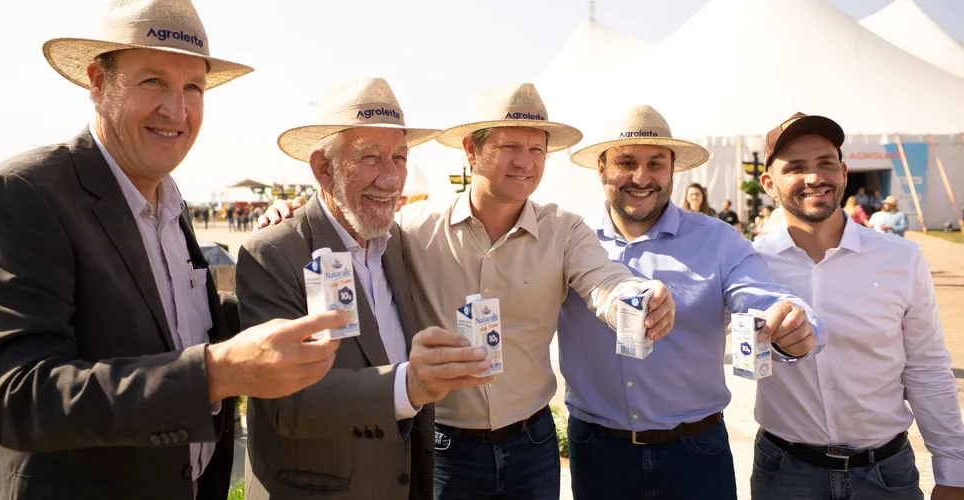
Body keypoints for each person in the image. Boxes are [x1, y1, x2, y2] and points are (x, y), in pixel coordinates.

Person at [0, 2, 344, 498]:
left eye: (193, 88)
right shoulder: (22, 192)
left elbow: (171, 320)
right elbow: (19, 399)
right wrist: (217, 372)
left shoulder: (167, 199)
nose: (176, 111)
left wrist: (276, 285)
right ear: (98, 83)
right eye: (153, 82)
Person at [257, 83, 678, 500]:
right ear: (471, 151)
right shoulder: (412, 229)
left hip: (532, 444)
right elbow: (346, 221)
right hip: (444, 447)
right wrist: (295, 210)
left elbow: (604, 280)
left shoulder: (564, 231)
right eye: (510, 146)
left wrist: (638, 297)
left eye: (537, 149)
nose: (525, 162)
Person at [237, 78, 490, 500]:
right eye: (370, 157)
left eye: (399, 157)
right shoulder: (275, 251)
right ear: (323, 169)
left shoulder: (397, 243)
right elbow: (284, 402)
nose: (391, 179)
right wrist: (408, 386)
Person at [559, 104, 823, 500]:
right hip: (598, 451)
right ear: (601, 168)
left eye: (655, 163)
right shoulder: (569, 240)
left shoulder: (718, 240)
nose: (641, 177)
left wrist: (793, 323)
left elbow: (760, 295)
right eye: (626, 162)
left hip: (696, 452)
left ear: (673, 169)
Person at [752, 112, 964, 500]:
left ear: (844, 172)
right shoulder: (749, 264)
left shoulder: (901, 258)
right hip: (785, 473)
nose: (814, 177)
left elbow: (927, 367)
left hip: (886, 473)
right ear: (769, 184)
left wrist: (954, 470)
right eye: (796, 167)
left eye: (826, 163)